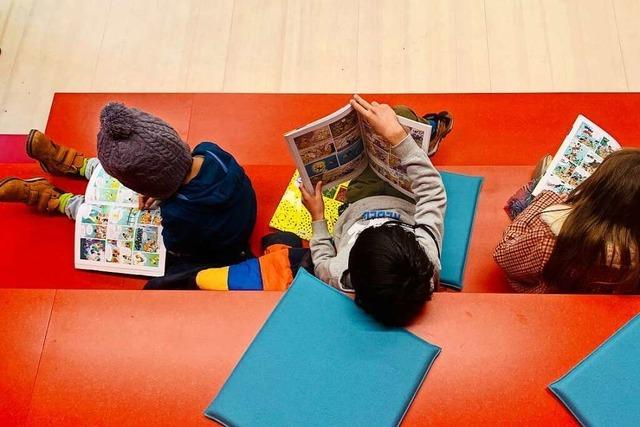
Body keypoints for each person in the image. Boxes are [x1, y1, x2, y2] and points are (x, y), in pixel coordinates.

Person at [0, 102, 257, 279]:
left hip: (221, 247)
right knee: (141, 165)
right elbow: (172, 169)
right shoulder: (209, 151)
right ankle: (80, 166)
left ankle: (62, 201)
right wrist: (164, 189)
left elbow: (175, 246)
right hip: (239, 212)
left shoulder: (179, 214)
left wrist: (165, 197)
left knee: (110, 220)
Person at [300, 95, 450, 326]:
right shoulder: (426, 260)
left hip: (360, 200)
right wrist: (398, 137)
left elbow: (321, 259)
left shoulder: (337, 274)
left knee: (368, 130)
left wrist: (318, 218)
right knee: (400, 116)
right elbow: (432, 192)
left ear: (352, 271)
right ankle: (425, 143)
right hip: (406, 196)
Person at [494, 149, 640, 294]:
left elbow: (504, 257)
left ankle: (541, 182)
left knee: (537, 197)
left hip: (544, 299)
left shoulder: (549, 239)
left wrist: (550, 201)